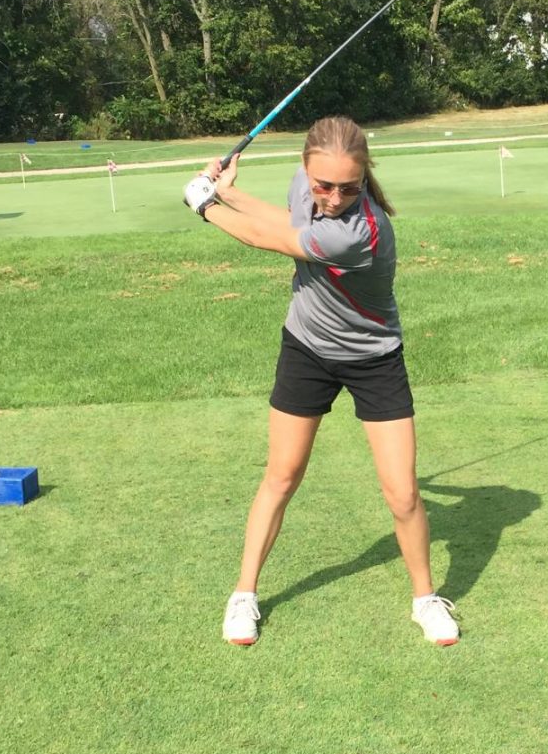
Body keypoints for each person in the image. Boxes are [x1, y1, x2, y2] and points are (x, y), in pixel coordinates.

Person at [182, 116, 459, 648]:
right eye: (322, 185)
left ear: (365, 178)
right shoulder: (303, 187)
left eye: (348, 187)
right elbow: (287, 218)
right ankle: (244, 593)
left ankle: (425, 599)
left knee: (402, 492)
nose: (332, 197)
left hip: (373, 357)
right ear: (307, 169)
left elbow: (271, 239)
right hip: (306, 348)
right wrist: (228, 191)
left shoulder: (362, 232)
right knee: (281, 476)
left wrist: (206, 204)